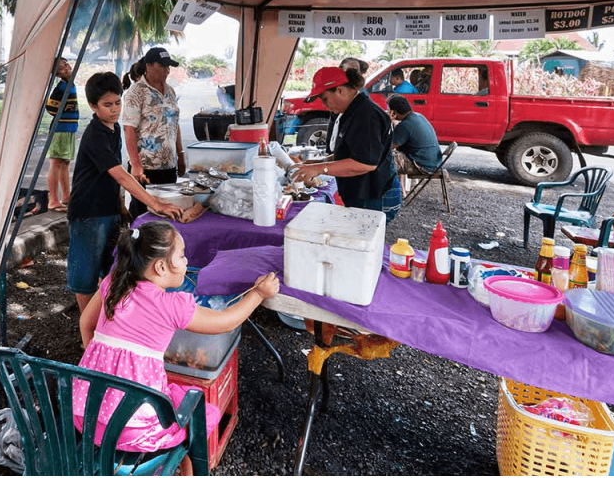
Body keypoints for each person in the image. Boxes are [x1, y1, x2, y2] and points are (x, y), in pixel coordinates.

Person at [75, 221, 279, 471]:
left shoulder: (112, 282)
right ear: (161, 266)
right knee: (195, 414)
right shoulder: (171, 305)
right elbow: (228, 322)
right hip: (133, 429)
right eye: (181, 256)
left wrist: (99, 364)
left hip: (85, 414)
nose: (185, 261)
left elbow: (86, 323)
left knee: (168, 398)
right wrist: (259, 294)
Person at [68, 72, 182, 312]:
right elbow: (120, 173)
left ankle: (103, 317)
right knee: (85, 274)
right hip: (89, 212)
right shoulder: (95, 135)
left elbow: (112, 177)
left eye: (117, 102)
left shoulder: (113, 128)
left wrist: (121, 206)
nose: (114, 109)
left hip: (108, 209)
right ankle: (87, 329)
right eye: (107, 105)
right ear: (92, 106)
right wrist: (155, 204)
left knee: (107, 267)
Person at [290, 66, 401, 221]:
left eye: (325, 99)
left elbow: (365, 163)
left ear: (340, 91)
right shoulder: (351, 112)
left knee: (364, 241)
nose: (324, 105)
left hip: (376, 194)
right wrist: (320, 162)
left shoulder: (365, 115)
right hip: (367, 192)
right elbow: (351, 152)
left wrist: (320, 168)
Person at [122, 48, 185, 217]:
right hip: (146, 167)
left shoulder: (170, 91)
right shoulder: (136, 92)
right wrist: (135, 165)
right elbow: (129, 130)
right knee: (143, 213)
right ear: (148, 66)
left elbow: (175, 124)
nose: (167, 70)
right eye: (162, 66)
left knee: (168, 211)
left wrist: (181, 154)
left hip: (169, 166)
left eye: (168, 67)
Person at [387, 95, 442, 188]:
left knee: (382, 159)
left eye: (389, 110)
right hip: (434, 163)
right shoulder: (418, 116)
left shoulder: (405, 125)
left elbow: (388, 146)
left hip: (422, 166)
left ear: (394, 112)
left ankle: (387, 193)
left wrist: (387, 121)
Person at [45, 57, 78, 212]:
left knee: (65, 163)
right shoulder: (61, 87)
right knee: (56, 163)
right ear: (56, 73)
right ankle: (53, 199)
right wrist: (62, 113)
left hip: (69, 129)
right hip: (60, 129)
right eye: (61, 68)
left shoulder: (70, 85)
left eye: (66, 64)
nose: (66, 68)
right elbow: (50, 107)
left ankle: (66, 196)